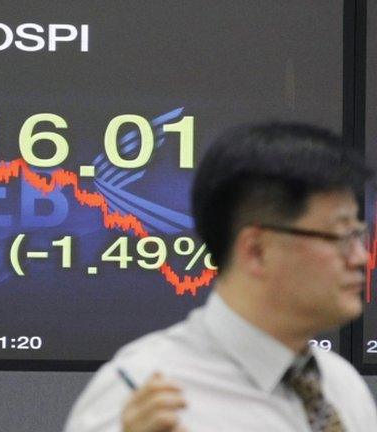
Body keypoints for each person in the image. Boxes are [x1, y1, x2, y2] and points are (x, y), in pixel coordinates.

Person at [63, 122, 377, 431]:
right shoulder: (139, 392)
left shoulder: (342, 387)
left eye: (358, 234)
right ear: (256, 250)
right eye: (340, 235)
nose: (361, 257)